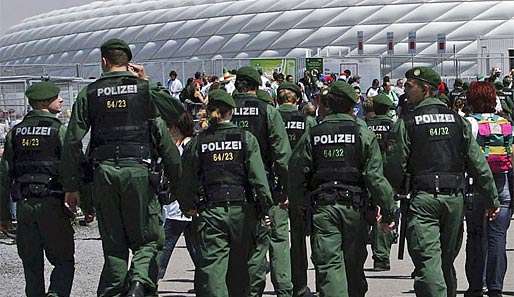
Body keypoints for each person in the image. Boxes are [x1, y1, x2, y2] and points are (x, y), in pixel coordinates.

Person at [61, 38, 182, 297]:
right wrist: (147, 82)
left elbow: (72, 142)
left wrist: (73, 186)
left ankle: (112, 291)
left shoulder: (89, 93)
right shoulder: (143, 90)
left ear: (104, 61)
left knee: (114, 243)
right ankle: (138, 284)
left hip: (103, 173)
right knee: (148, 240)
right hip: (138, 170)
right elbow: (174, 114)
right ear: (128, 62)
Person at [385, 67, 500, 297]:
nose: (405, 91)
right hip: (454, 201)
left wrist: (388, 202)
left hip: (424, 200)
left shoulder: (407, 122)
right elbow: (478, 164)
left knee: (429, 263)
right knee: (444, 262)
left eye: (410, 86)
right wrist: (492, 199)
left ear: (425, 89)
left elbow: (394, 167)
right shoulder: (458, 121)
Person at [289, 81, 396, 297]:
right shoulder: (362, 133)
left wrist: (299, 205)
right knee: (354, 266)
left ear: (328, 104)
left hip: (324, 208)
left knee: (329, 267)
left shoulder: (314, 133)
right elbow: (374, 177)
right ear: (352, 107)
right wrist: (388, 209)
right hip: (354, 209)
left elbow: (296, 172)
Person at [177, 89, 274, 297]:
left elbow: (186, 180)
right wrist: (266, 207)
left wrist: (187, 206)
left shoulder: (198, 142)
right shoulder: (246, 139)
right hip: (243, 211)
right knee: (240, 268)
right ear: (231, 111)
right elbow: (258, 178)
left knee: (212, 269)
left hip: (211, 211)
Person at [0, 81, 75, 297]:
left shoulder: (14, 133)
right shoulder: (59, 131)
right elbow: (71, 168)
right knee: (63, 260)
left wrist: (3, 214)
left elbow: (4, 176)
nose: (61, 100)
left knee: (31, 265)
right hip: (52, 204)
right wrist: (85, 204)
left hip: (24, 206)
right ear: (44, 102)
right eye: (56, 97)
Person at [231, 66, 292, 297]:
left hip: (227, 186)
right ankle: (279, 289)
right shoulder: (268, 111)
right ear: (257, 86)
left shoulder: (224, 109)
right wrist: (286, 188)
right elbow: (282, 156)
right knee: (270, 238)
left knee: (236, 243)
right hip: (263, 186)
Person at [464, 81, 512, 297]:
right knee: (498, 239)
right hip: (502, 186)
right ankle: (495, 288)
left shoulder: (468, 123)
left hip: (475, 187)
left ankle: (475, 286)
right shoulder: (506, 124)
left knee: (475, 237)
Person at [276, 82, 317, 297]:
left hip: (274, 185)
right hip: (300, 187)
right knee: (299, 238)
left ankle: (280, 283)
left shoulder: (271, 118)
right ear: (297, 99)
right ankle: (299, 285)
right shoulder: (307, 121)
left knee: (276, 237)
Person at [157, 110, 198, 282]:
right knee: (198, 251)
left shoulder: (188, 146)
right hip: (181, 207)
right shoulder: (174, 145)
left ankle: (147, 284)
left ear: (176, 127)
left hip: (181, 208)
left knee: (162, 251)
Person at [365, 93, 397, 272]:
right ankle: (381, 257)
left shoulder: (365, 126)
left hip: (366, 175)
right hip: (385, 177)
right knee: (382, 214)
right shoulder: (392, 127)